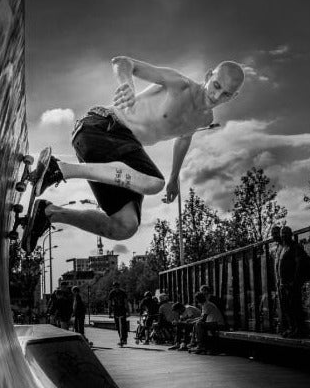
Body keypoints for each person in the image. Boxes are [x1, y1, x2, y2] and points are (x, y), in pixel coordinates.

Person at [22, 56, 246, 250]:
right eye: (216, 86)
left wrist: (174, 178)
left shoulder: (206, 119)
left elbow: (184, 137)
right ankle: (58, 169)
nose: (217, 96)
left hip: (119, 156)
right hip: (102, 126)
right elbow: (122, 62)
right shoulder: (179, 85)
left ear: (234, 97)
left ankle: (50, 212)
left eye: (226, 94)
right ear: (208, 75)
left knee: (125, 226)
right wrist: (127, 84)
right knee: (152, 183)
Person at [276, 225, 304, 338]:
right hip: (283, 284)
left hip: (292, 284)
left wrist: (295, 281)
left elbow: (299, 265)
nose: (284, 235)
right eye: (282, 233)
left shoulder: (295, 247)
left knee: (294, 307)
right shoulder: (283, 248)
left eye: (286, 233)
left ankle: (298, 329)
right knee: (286, 308)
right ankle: (291, 328)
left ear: (291, 234)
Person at [107, 280, 129, 347]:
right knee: (117, 326)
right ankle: (122, 338)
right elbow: (110, 303)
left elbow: (125, 302)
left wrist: (128, 311)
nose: (116, 288)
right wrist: (109, 312)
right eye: (115, 287)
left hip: (122, 310)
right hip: (115, 310)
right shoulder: (111, 293)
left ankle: (124, 339)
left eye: (117, 287)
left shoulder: (123, 292)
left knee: (123, 325)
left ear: (119, 287)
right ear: (113, 287)